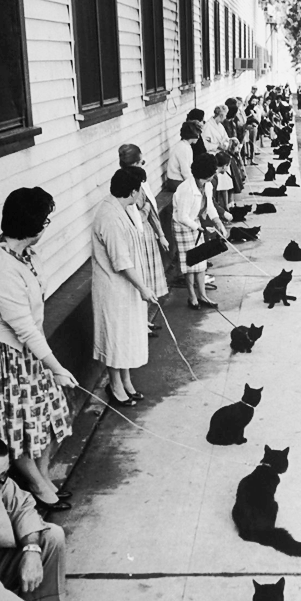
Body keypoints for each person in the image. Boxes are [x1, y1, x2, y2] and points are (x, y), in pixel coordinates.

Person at [0, 188, 76, 511]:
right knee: (19, 425)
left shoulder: (27, 255)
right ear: (31, 225)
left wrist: (47, 362)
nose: (47, 225)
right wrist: (56, 366)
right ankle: (38, 486)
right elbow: (21, 326)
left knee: (49, 415)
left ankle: (44, 476)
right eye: (44, 219)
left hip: (32, 350)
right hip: (8, 358)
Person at [0, 432, 80, 601]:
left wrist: (31, 550)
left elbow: (24, 505)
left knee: (51, 536)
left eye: (7, 473)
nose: (5, 481)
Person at [91, 167, 157, 407]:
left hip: (125, 287)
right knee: (115, 337)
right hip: (114, 288)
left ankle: (126, 380)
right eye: (140, 189)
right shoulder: (109, 217)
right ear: (132, 191)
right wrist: (144, 288)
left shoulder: (123, 209)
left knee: (126, 335)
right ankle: (115, 385)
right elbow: (121, 261)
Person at [118, 145, 170, 336]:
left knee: (148, 278)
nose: (143, 165)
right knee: (141, 279)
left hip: (147, 234)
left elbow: (152, 209)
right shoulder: (124, 184)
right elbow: (134, 214)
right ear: (131, 164)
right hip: (136, 237)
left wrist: (161, 234)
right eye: (140, 162)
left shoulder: (141, 181)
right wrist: (146, 209)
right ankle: (141, 323)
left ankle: (146, 320)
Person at [172, 154, 227, 310]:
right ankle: (192, 296)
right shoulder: (185, 189)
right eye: (209, 175)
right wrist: (200, 228)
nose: (212, 177)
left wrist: (218, 222)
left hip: (195, 221)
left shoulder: (207, 185)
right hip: (183, 226)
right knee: (190, 262)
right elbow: (182, 217)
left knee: (201, 262)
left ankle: (202, 295)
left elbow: (209, 207)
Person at [165, 122, 200, 192]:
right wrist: (194, 184)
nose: (199, 137)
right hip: (175, 181)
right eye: (198, 134)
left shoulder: (186, 146)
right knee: (196, 190)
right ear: (192, 134)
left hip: (180, 179)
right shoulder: (182, 148)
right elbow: (185, 171)